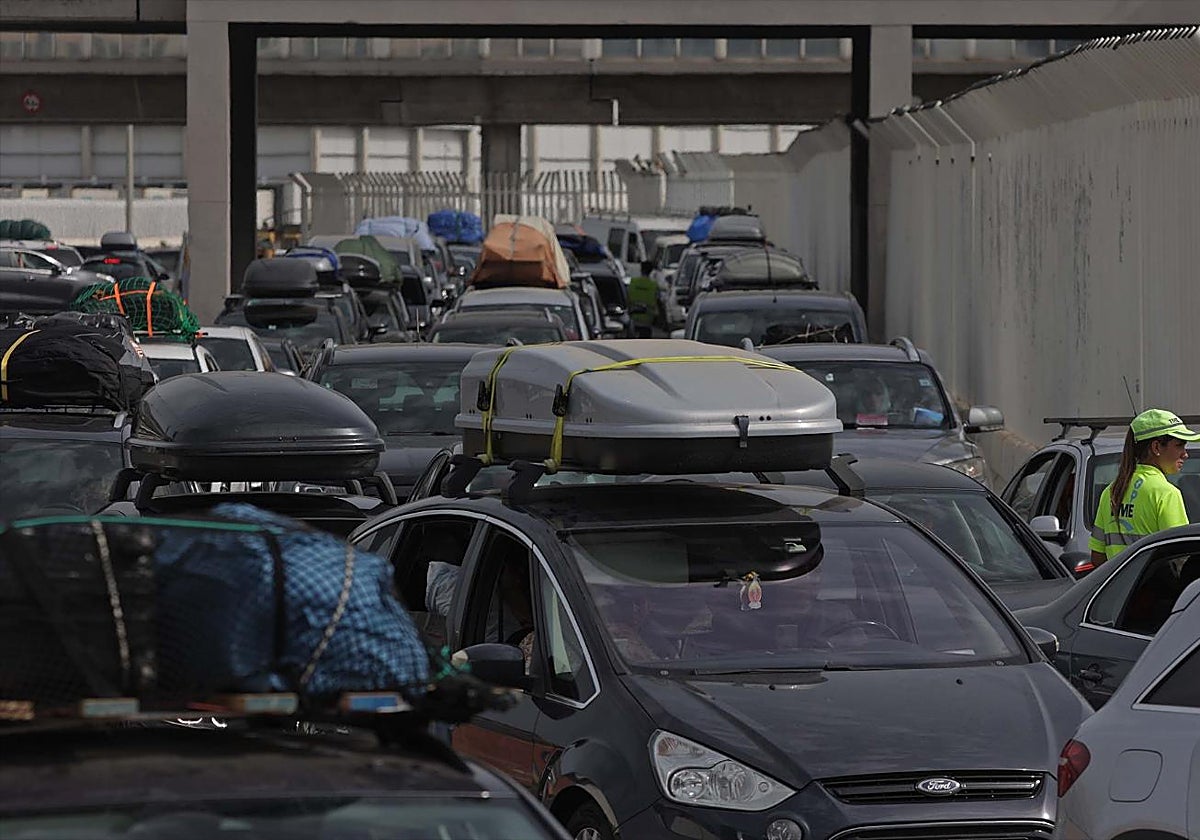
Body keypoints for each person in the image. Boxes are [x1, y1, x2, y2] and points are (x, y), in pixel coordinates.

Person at [1089, 409, 1197, 566]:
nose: (1185, 454)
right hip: (1157, 589)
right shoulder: (1166, 494)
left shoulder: (1111, 492)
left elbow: (1097, 558)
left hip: (1121, 589)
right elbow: (1182, 559)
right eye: (1180, 445)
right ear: (1156, 447)